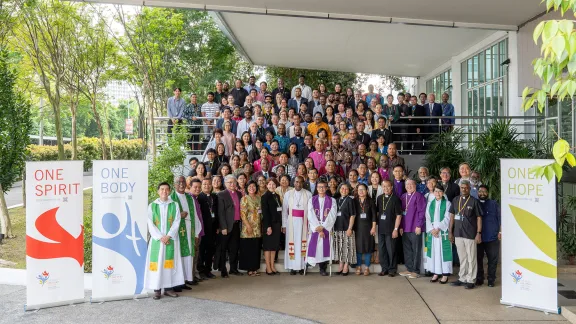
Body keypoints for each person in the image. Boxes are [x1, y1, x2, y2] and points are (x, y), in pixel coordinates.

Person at [144, 182, 184, 300]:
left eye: (167, 189)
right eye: (162, 189)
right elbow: (150, 223)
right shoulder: (152, 206)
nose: (164, 191)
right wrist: (160, 237)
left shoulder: (174, 204)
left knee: (169, 264)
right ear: (158, 191)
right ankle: (157, 289)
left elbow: (177, 221)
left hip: (170, 240)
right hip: (157, 241)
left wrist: (169, 236)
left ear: (170, 191)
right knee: (157, 265)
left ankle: (168, 288)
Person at [170, 177, 203, 290]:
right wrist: (180, 215)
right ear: (174, 184)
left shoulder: (190, 198)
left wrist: (196, 234)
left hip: (190, 231)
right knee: (178, 256)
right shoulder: (171, 198)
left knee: (188, 256)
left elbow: (196, 217)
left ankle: (185, 280)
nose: (181, 184)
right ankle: (176, 282)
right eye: (178, 182)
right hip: (177, 233)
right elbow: (168, 218)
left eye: (183, 182)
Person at [449, 180, 483, 289]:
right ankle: (462, 278)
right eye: (462, 187)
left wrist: (478, 233)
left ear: (469, 188)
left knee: (471, 257)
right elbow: (451, 217)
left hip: (470, 233)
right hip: (458, 233)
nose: (464, 189)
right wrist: (450, 231)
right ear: (460, 188)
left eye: (466, 188)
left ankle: (471, 280)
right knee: (462, 257)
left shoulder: (474, 201)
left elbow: (479, 218)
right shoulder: (455, 200)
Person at [282, 176, 312, 275]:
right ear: (293, 183)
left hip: (304, 222)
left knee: (302, 244)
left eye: (300, 182)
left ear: (303, 183)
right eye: (296, 182)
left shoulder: (308, 194)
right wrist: (284, 225)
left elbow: (311, 211)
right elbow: (284, 211)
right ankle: (292, 267)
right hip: (291, 223)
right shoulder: (288, 194)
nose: (298, 184)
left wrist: (310, 226)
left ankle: (302, 266)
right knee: (292, 244)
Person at [306, 180, 337, 276]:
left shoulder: (332, 200)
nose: (321, 189)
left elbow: (332, 215)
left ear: (326, 188)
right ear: (316, 188)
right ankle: (309, 263)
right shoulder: (312, 200)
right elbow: (310, 215)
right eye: (319, 187)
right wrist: (318, 228)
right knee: (314, 246)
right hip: (315, 228)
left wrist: (323, 228)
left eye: (323, 187)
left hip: (326, 228)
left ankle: (323, 268)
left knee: (324, 248)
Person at [216, 175, 244, 278]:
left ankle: (233, 269)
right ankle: (223, 270)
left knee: (234, 248)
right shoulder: (221, 195)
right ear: (225, 184)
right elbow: (221, 212)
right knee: (224, 249)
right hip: (226, 226)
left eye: (234, 182)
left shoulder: (239, 194)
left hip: (236, 225)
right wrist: (223, 227)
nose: (232, 184)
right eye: (230, 182)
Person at [424, 184, 453, 284]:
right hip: (433, 233)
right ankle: (436, 273)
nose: (437, 193)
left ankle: (445, 274)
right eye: (436, 191)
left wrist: (438, 228)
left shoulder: (448, 203)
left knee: (443, 253)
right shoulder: (430, 204)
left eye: (440, 191)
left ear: (443, 193)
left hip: (442, 232)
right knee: (434, 253)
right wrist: (432, 229)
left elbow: (447, 218)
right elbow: (427, 217)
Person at [399, 179, 426, 279]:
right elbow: (401, 213)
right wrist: (401, 226)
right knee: (407, 250)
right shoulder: (403, 196)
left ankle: (416, 270)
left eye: (411, 184)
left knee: (416, 249)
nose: (409, 186)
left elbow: (422, 212)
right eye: (407, 184)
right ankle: (409, 268)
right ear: (405, 186)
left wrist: (419, 225)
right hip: (405, 228)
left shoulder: (419, 196)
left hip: (415, 227)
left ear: (415, 185)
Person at [476, 185, 501, 287]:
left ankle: (491, 279)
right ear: (477, 193)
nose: (482, 193)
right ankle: (479, 279)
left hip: (492, 237)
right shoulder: (474, 203)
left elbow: (500, 218)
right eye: (480, 191)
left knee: (493, 260)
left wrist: (500, 232)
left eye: (484, 191)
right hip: (478, 237)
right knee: (478, 259)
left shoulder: (494, 204)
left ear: (488, 193)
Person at [377, 180, 403, 277]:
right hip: (381, 229)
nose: (386, 188)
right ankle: (384, 269)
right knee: (382, 249)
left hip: (391, 229)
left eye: (388, 186)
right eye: (384, 187)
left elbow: (399, 216)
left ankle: (392, 269)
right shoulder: (379, 198)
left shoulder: (396, 199)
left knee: (391, 250)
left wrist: (396, 229)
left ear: (391, 187)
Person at [239, 180, 262, 277]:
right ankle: (249, 269)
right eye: (249, 187)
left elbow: (261, 211)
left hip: (257, 227)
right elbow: (243, 214)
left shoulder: (259, 198)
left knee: (256, 248)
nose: (252, 188)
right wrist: (248, 226)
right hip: (248, 227)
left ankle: (255, 268)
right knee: (248, 248)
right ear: (247, 188)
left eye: (253, 186)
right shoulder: (244, 198)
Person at [333, 183, 357, 275]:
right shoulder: (336, 200)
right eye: (342, 188)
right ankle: (340, 265)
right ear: (339, 189)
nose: (344, 190)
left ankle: (346, 266)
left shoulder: (350, 200)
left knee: (347, 248)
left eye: (346, 189)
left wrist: (350, 228)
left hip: (347, 228)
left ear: (349, 190)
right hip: (337, 228)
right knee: (339, 247)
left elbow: (352, 215)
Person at [261, 178, 283, 275]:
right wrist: (268, 226)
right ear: (266, 185)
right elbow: (265, 213)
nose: (271, 186)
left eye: (273, 184)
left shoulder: (277, 196)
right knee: (268, 246)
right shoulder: (265, 196)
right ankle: (268, 267)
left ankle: (272, 266)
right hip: (269, 224)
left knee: (274, 246)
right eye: (269, 184)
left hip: (277, 224)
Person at [197, 178, 218, 279]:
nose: (207, 186)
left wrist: (218, 226)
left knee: (210, 249)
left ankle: (208, 270)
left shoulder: (214, 196)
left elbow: (217, 213)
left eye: (209, 184)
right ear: (201, 186)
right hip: (202, 228)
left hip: (212, 228)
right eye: (204, 184)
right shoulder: (199, 198)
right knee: (202, 250)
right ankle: (201, 271)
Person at [354, 184, 377, 276]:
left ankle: (367, 267)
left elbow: (374, 216)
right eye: (359, 189)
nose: (361, 191)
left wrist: (374, 227)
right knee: (358, 248)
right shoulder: (354, 201)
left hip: (368, 228)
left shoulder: (371, 201)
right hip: (357, 228)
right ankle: (358, 266)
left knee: (368, 248)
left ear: (367, 191)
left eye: (363, 189)